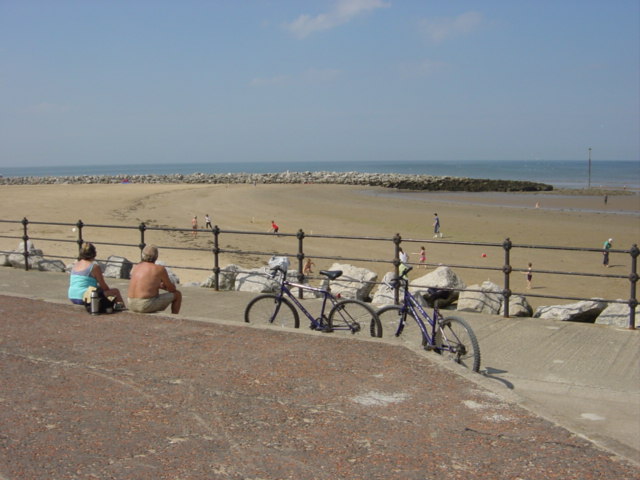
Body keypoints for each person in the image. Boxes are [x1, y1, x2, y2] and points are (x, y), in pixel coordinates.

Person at [127, 245, 182, 314]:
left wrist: (157, 285)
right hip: (145, 305)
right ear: (156, 257)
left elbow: (143, 284)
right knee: (177, 294)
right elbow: (172, 289)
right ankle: (175, 317)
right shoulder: (159, 269)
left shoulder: (136, 267)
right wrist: (165, 286)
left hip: (130, 303)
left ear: (143, 255)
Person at [68, 242, 125, 308]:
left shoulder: (75, 265)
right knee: (115, 292)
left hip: (72, 296)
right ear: (94, 254)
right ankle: (122, 309)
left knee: (98, 289)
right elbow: (103, 286)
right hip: (85, 297)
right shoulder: (94, 267)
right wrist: (109, 294)